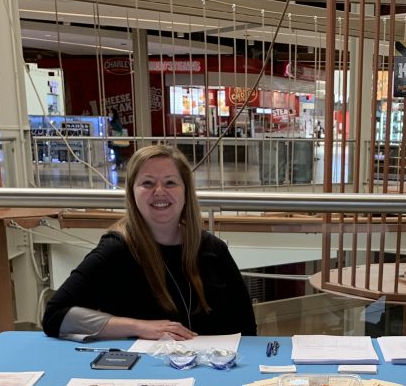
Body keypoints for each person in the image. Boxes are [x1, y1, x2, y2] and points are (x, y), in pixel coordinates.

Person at [43, 145, 257, 341]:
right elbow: (55, 315)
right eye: (147, 183)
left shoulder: (214, 249)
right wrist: (139, 327)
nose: (159, 191)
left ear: (186, 191)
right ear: (132, 192)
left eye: (170, 182)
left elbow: (247, 327)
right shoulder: (116, 250)